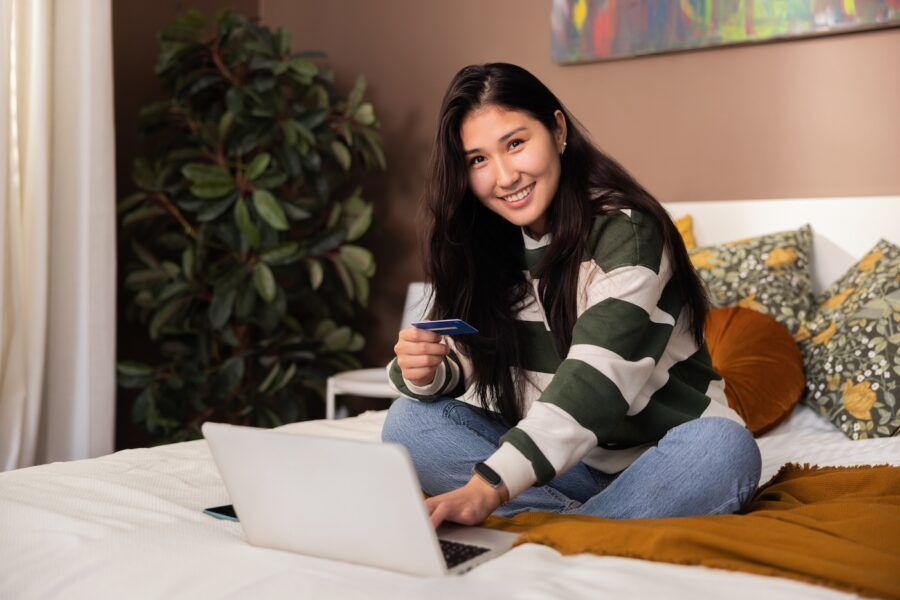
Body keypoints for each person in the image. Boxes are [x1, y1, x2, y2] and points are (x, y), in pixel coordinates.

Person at [382, 63, 761, 529]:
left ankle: (552, 528)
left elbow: (594, 381)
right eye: (478, 160)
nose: (503, 177)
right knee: (406, 422)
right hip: (566, 472)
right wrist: (428, 369)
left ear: (557, 130)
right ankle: (590, 526)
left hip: (662, 461)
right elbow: (477, 352)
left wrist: (487, 489)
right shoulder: (492, 243)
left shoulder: (628, 233)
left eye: (516, 144)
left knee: (724, 448)